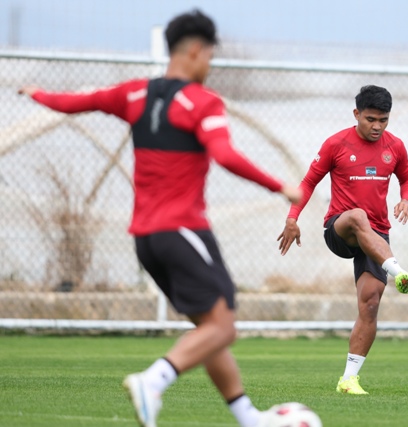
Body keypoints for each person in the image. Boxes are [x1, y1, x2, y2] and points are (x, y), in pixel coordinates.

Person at [19, 9, 301, 427]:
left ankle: (249, 418)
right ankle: (153, 381)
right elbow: (224, 155)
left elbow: (76, 102)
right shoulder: (203, 102)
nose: (210, 65)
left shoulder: (134, 94)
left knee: (209, 330)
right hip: (183, 230)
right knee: (224, 328)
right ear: (194, 50)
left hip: (147, 239)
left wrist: (37, 93)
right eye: (209, 56)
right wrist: (281, 187)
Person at [277, 85, 408, 395]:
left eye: (383, 120)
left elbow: (407, 179)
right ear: (356, 114)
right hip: (340, 228)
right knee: (357, 216)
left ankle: (349, 379)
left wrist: (406, 200)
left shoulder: (394, 146)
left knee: (370, 304)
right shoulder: (336, 144)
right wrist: (292, 218)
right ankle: (400, 273)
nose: (377, 126)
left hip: (376, 236)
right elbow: (308, 182)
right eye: (371, 119)